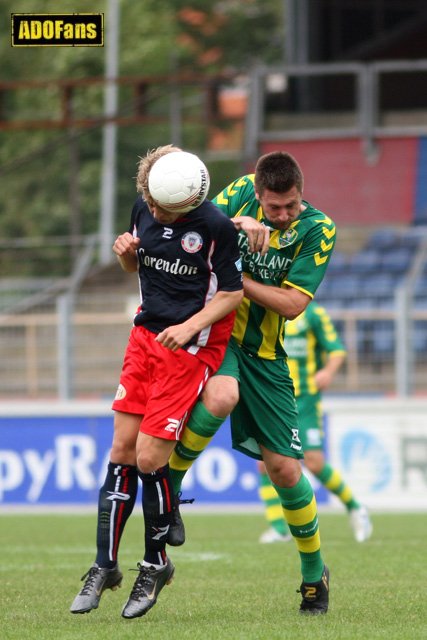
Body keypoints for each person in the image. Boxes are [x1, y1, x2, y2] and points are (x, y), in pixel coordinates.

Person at [70, 144, 245, 619]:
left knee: (150, 457)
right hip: (144, 336)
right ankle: (104, 566)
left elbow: (232, 292)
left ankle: (155, 563)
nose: (150, 210)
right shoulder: (143, 206)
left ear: (186, 204)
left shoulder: (214, 229)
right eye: (147, 200)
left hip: (190, 348)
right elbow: (138, 269)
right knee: (121, 449)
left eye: (159, 206)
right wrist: (127, 254)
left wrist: (191, 327)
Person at [168, 151, 336, 614]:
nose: (283, 216)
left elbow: (291, 304)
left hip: (266, 356)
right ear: (259, 194)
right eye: (274, 208)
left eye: (292, 206)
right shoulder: (241, 191)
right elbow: (192, 231)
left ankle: (313, 575)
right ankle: (169, 493)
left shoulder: (319, 229)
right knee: (222, 394)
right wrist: (239, 224)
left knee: (284, 469)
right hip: (217, 336)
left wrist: (236, 279)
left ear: (301, 194)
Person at [257, 301, 372, 544]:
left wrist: (328, 372)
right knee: (264, 463)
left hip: (305, 399)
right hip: (274, 398)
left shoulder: (314, 314)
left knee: (314, 461)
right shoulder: (268, 310)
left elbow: (337, 350)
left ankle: (355, 508)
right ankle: (278, 528)